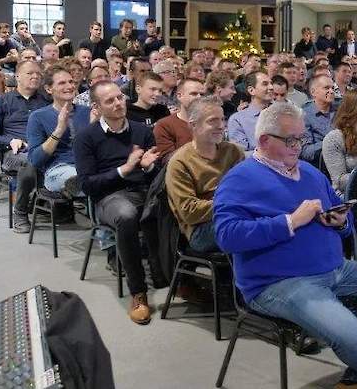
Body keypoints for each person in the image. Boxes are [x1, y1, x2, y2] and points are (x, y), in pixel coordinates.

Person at [214, 101, 357, 389]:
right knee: (349, 332)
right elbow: (226, 236)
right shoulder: (239, 178)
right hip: (278, 283)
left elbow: (342, 214)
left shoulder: (310, 172)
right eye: (290, 140)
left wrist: (340, 222)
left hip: (334, 268)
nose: (298, 145)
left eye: (301, 138)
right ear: (264, 140)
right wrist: (289, 222)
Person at [74, 81, 161, 324]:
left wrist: (149, 167)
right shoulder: (85, 137)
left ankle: (177, 279)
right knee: (126, 215)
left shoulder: (141, 131)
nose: (118, 103)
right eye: (110, 101)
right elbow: (88, 185)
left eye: (120, 97)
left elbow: (154, 175)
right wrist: (125, 168)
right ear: (97, 106)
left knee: (172, 204)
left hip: (142, 190)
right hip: (108, 198)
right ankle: (138, 292)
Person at [165, 97, 243, 253]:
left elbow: (247, 188)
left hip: (235, 214)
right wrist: (230, 203)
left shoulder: (233, 151)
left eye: (222, 119)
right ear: (193, 125)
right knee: (245, 228)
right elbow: (189, 212)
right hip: (200, 229)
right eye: (213, 121)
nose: (221, 126)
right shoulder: (180, 162)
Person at [0, 60, 49, 233]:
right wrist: (9, 140)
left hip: (43, 148)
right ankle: (20, 212)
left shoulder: (46, 101)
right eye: (30, 73)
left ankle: (56, 204)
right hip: (15, 153)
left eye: (38, 73)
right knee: (29, 163)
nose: (35, 76)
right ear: (17, 77)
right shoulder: (2, 102)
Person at [26, 66, 92, 197]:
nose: (69, 86)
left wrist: (94, 126)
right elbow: (35, 160)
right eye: (62, 83)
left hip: (89, 165)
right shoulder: (38, 117)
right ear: (48, 89)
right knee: (82, 180)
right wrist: (59, 130)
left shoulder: (87, 112)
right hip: (59, 169)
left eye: (71, 82)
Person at [154, 78, 205, 159]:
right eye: (194, 94)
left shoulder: (210, 123)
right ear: (179, 96)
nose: (199, 97)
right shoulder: (164, 125)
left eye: (202, 94)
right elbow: (167, 160)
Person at [228, 71, 272, 152]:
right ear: (251, 90)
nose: (271, 87)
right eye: (265, 84)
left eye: (271, 83)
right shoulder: (237, 119)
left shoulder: (280, 114)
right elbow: (241, 154)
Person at [301, 74, 336, 164]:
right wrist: (332, 141)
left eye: (333, 88)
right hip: (319, 164)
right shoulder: (304, 116)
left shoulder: (341, 111)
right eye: (326, 88)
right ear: (313, 92)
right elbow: (306, 152)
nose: (331, 91)